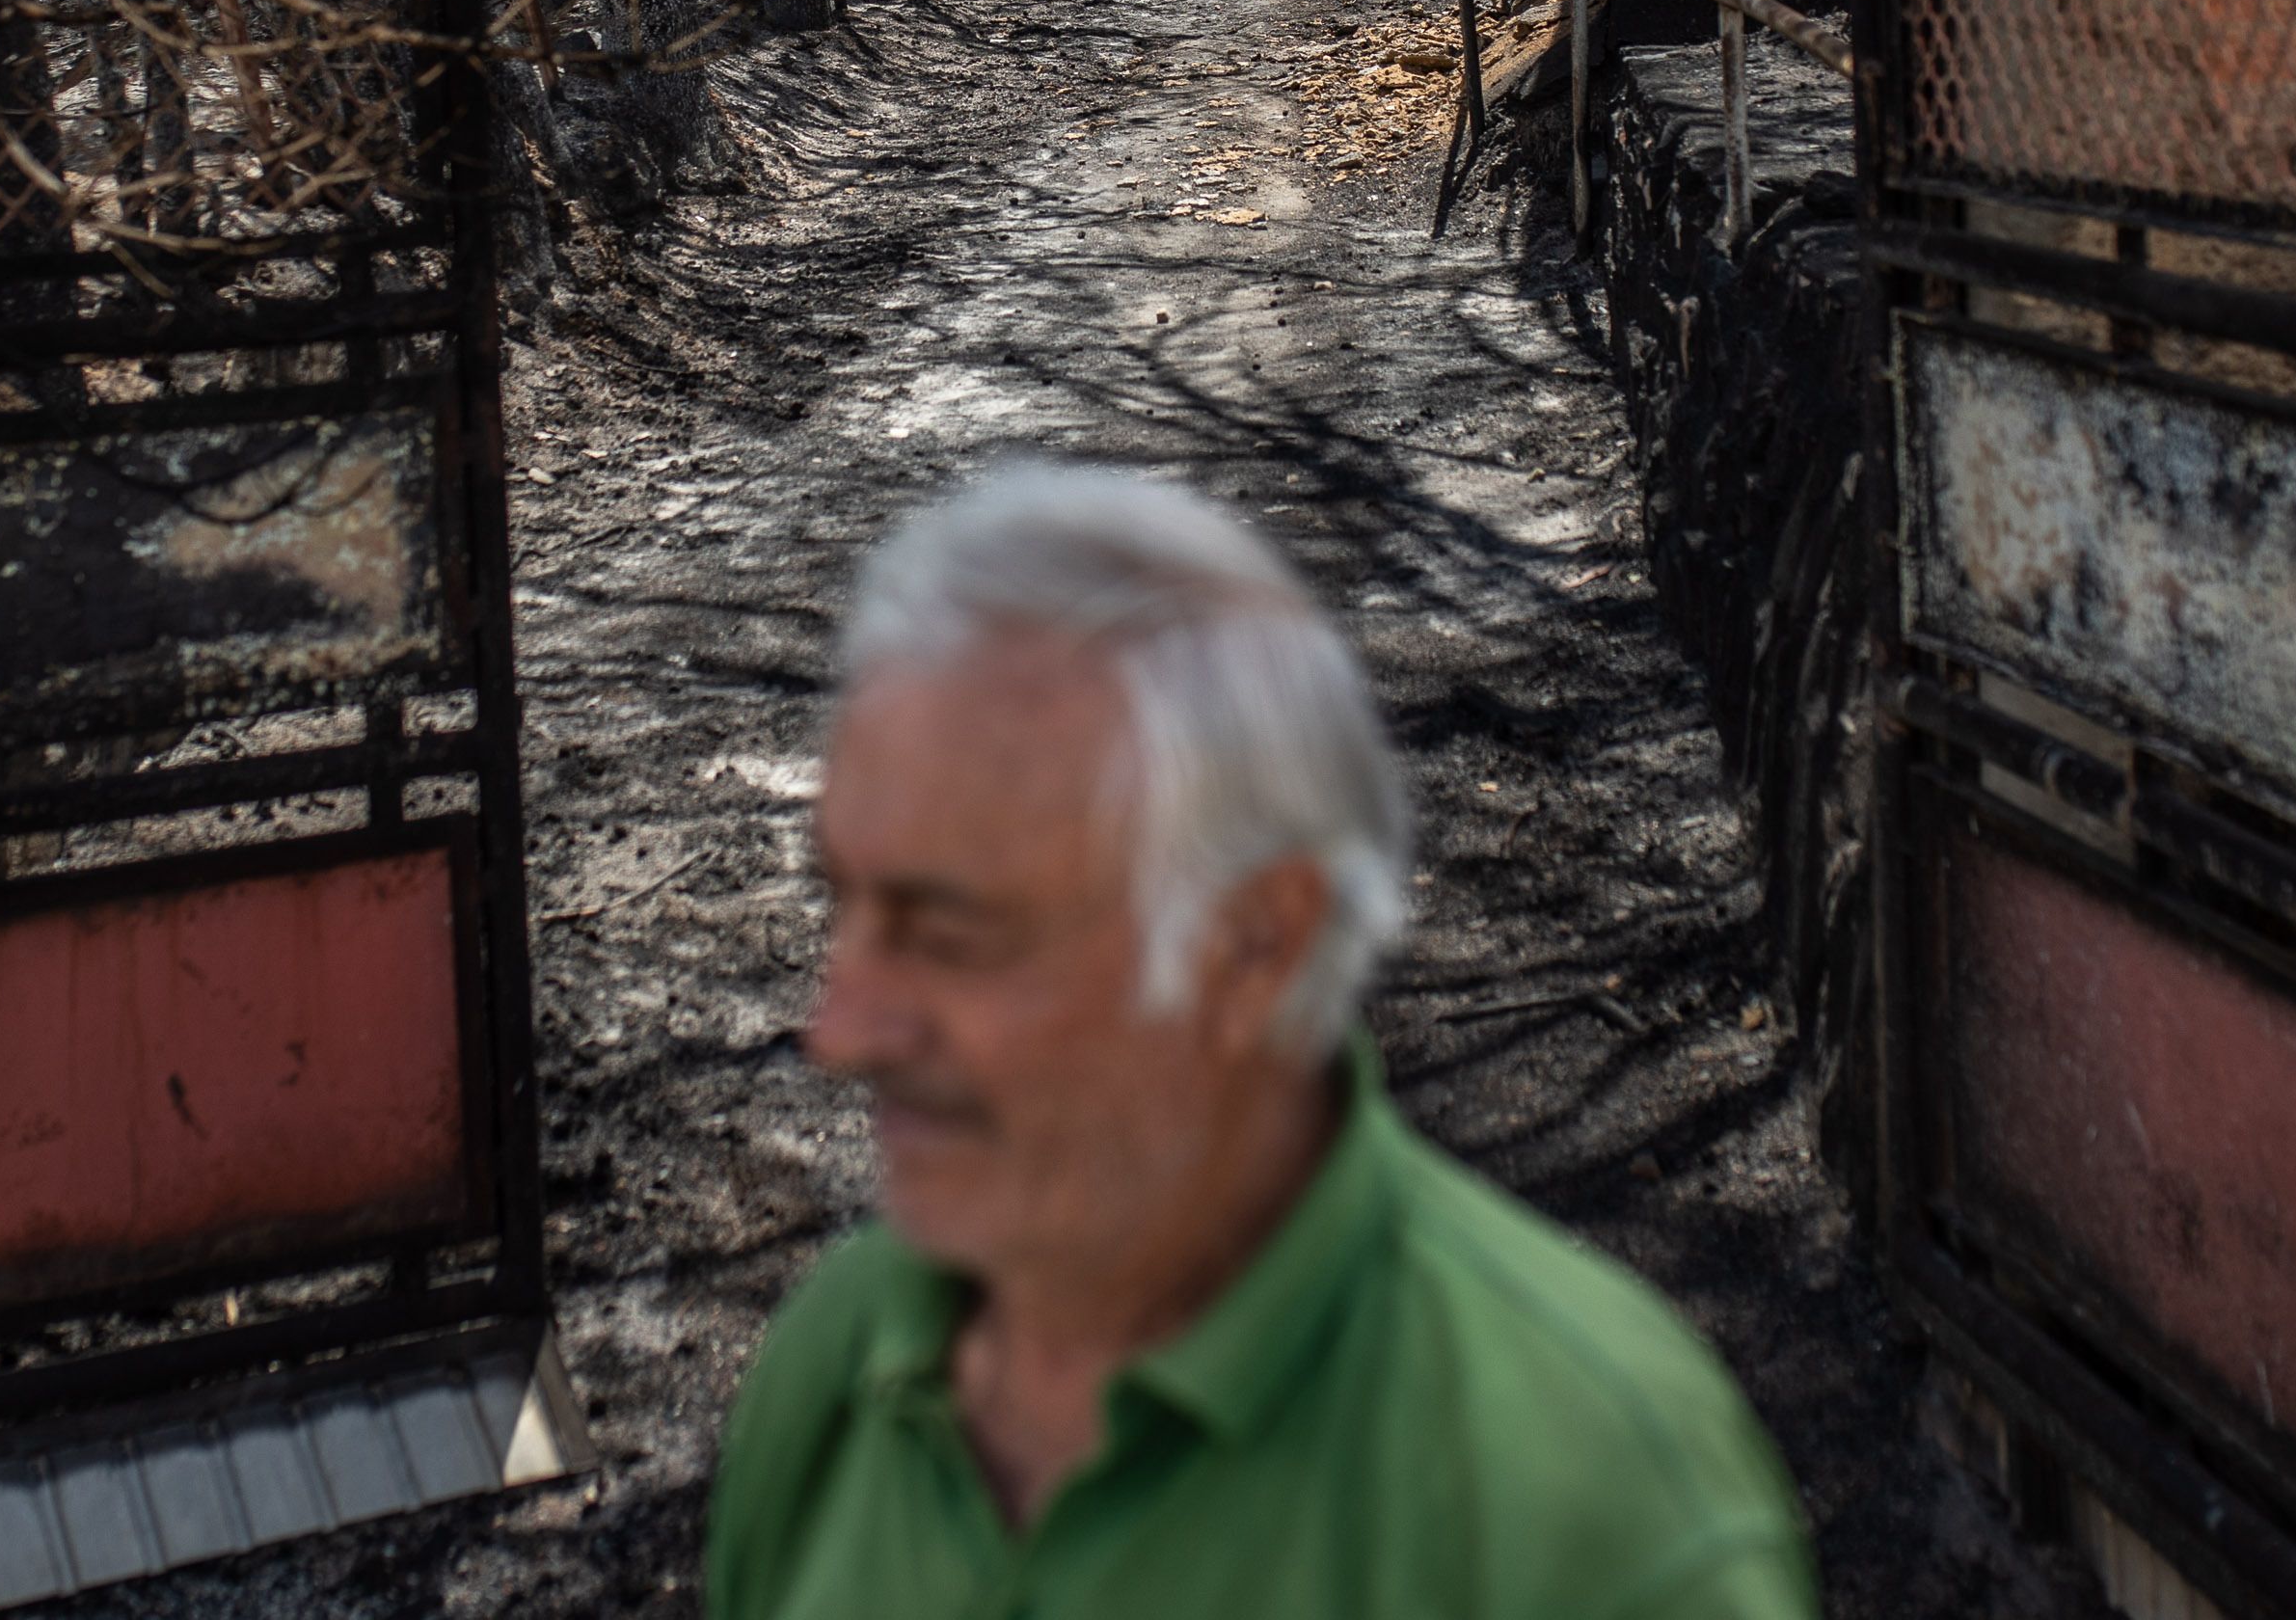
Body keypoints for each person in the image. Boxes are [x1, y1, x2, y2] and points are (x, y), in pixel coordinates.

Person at [707, 461, 1821, 1620]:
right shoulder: (840, 1362)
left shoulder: (1592, 1509)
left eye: (951, 932)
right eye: (844, 906)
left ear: (1256, 947)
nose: (835, 1032)